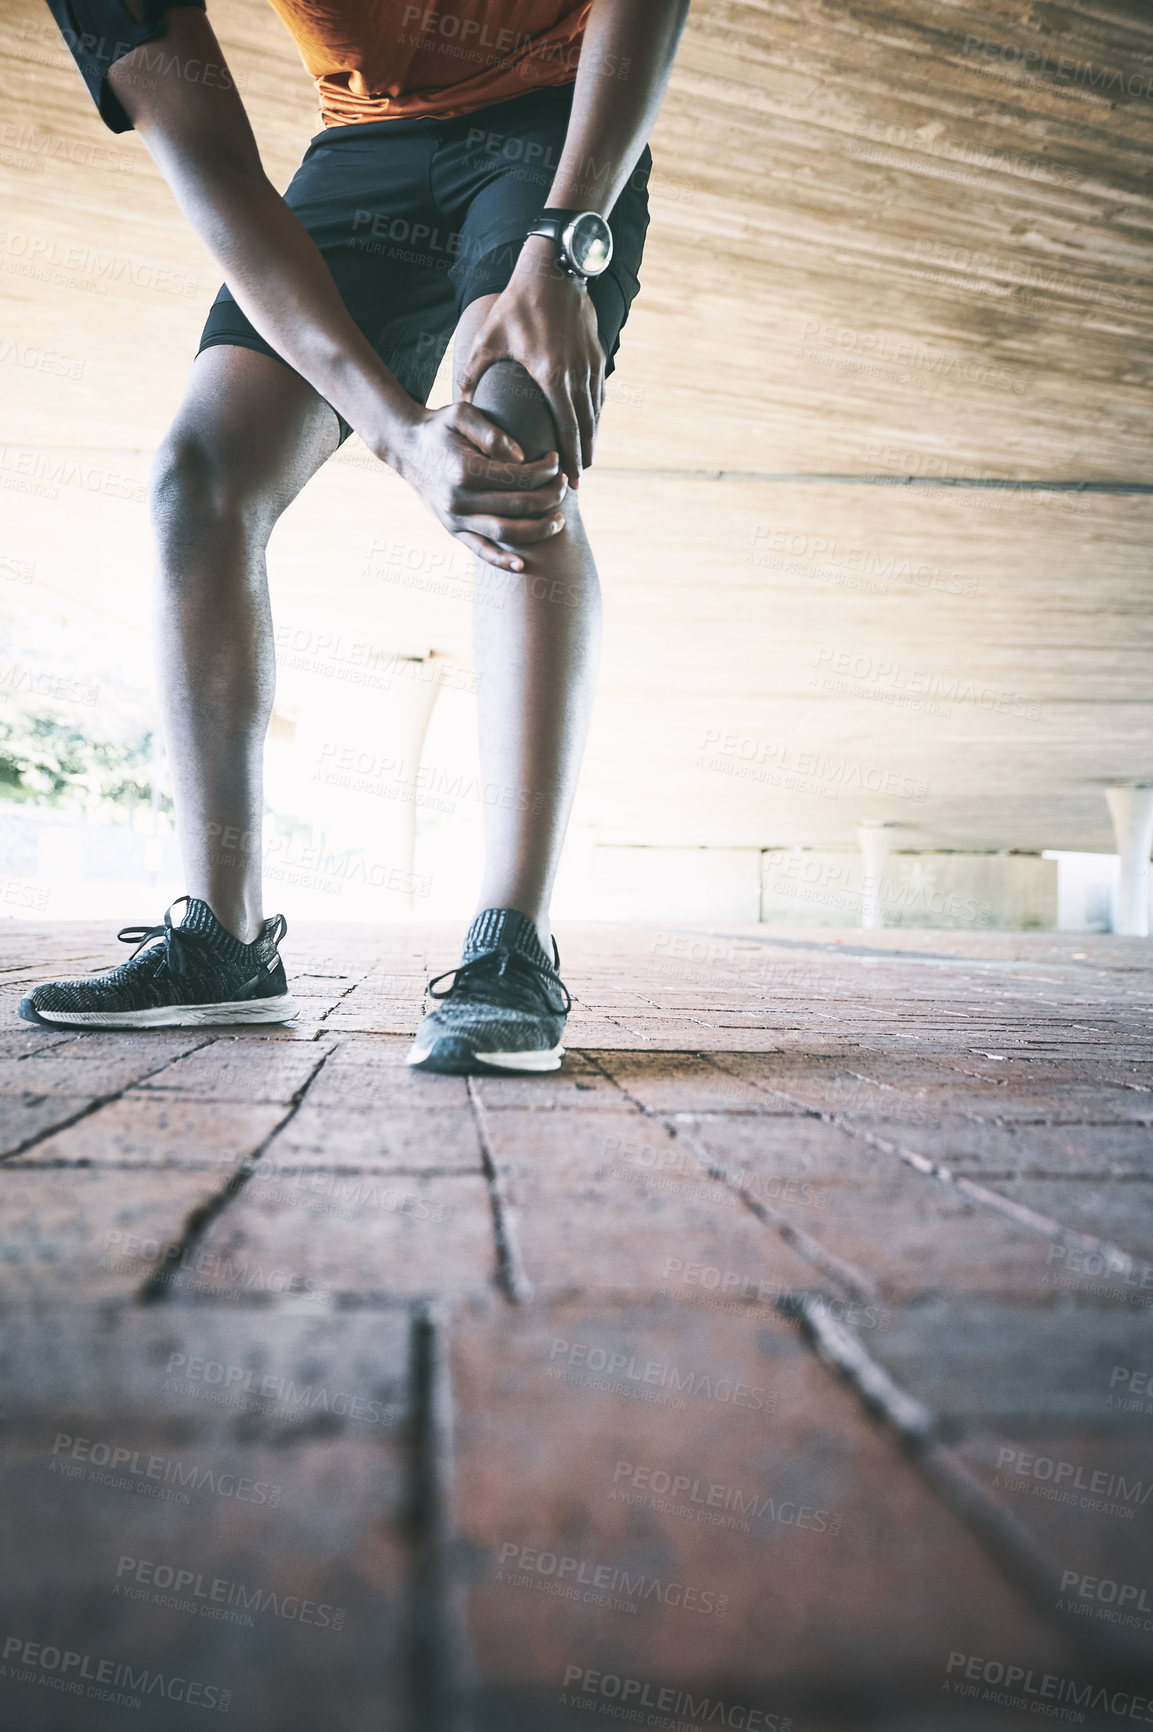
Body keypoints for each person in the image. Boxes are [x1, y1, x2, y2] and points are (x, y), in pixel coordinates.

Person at [18, 0, 689, 1073]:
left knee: (509, 426)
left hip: (552, 127)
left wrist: (563, 247)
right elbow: (218, 174)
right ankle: (224, 943)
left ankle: (514, 944)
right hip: (361, 145)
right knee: (198, 477)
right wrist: (391, 429)